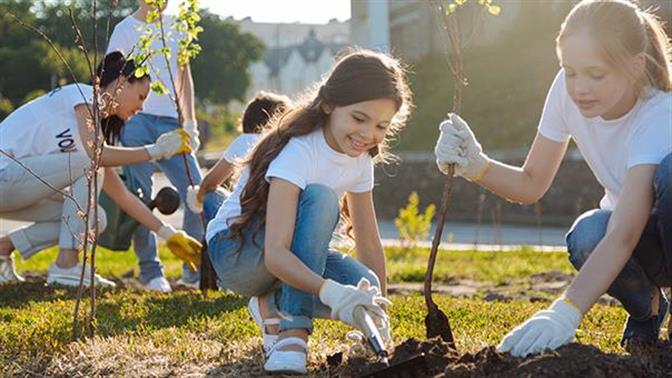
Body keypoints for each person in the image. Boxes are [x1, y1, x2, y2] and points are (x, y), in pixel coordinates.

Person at [434, 0, 671, 357]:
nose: (579, 87)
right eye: (570, 70)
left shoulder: (659, 113)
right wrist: (476, 165)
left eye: (596, 74)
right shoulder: (566, 91)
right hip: (639, 239)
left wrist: (565, 311)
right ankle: (648, 311)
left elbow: (625, 233)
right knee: (588, 235)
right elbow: (531, 183)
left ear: (636, 66)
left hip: (653, 228)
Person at [206, 50, 413, 374]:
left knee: (365, 284)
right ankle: (292, 333)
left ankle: (270, 303)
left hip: (285, 254)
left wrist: (377, 314)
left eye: (381, 125)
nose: (368, 134)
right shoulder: (299, 149)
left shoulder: (360, 161)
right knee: (320, 198)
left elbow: (369, 244)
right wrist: (332, 292)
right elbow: (276, 254)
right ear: (329, 104)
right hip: (237, 252)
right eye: (359, 118)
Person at [0, 52, 202, 288]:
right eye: (141, 96)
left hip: (17, 188)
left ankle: (3, 248)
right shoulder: (82, 94)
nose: (142, 107)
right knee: (90, 163)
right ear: (121, 83)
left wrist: (169, 234)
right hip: (4, 176)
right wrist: (156, 151)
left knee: (96, 217)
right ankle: (67, 266)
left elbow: (122, 196)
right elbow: (96, 156)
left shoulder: (92, 134)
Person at [106, 0, 222, 291]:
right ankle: (151, 272)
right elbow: (111, 80)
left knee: (197, 190)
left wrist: (190, 122)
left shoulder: (177, 26)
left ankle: (192, 272)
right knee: (142, 195)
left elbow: (184, 76)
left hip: (171, 122)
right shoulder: (124, 30)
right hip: (135, 120)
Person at [186, 91, 291, 216]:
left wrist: (197, 198)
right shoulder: (288, 143)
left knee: (209, 195)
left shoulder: (245, 140)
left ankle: (208, 232)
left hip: (243, 217)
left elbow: (210, 182)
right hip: (279, 215)